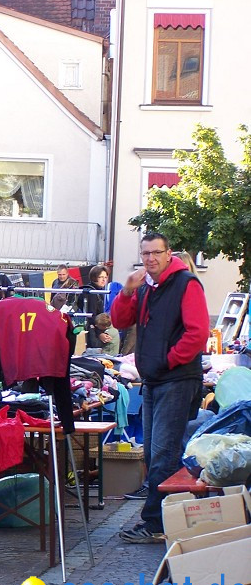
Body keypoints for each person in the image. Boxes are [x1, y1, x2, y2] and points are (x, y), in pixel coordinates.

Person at [111, 233, 208, 544]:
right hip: (155, 379)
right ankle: (163, 520)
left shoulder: (186, 283)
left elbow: (197, 334)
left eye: (156, 252)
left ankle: (156, 523)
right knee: (154, 454)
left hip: (177, 379)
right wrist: (127, 291)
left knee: (163, 454)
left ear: (169, 254)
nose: (150, 259)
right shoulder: (146, 287)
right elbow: (119, 320)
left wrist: (168, 361)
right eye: (145, 253)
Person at [76, 265, 109, 349]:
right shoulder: (92, 293)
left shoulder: (95, 290)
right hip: (92, 329)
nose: (103, 279)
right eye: (100, 277)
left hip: (91, 327)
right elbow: (92, 316)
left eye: (105, 277)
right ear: (94, 277)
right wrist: (99, 333)